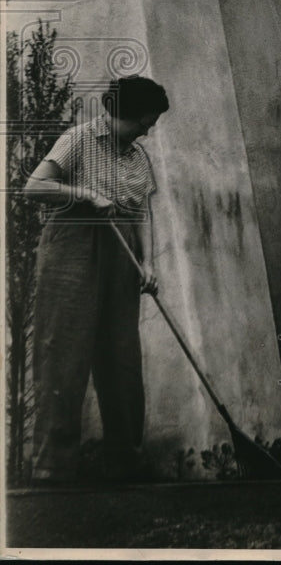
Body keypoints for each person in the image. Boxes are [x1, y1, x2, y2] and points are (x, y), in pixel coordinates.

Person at [24, 74, 169, 484]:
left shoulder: (139, 157)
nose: (148, 128)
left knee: (122, 357)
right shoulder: (79, 139)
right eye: (144, 120)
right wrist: (85, 195)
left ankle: (125, 461)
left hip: (123, 254)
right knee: (64, 353)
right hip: (73, 246)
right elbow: (34, 187)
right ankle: (53, 467)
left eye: (151, 121)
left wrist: (150, 264)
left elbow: (143, 212)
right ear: (120, 113)